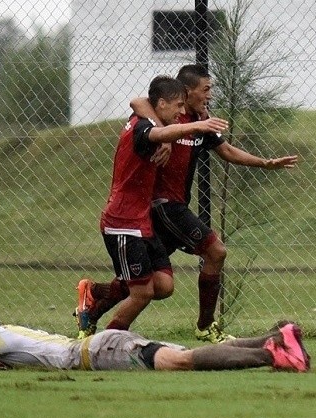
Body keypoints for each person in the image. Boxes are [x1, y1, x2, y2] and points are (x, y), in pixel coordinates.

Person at [75, 64, 297, 343]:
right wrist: (168, 132)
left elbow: (226, 150)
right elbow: (139, 102)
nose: (210, 95)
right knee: (214, 252)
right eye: (206, 89)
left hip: (155, 212)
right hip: (163, 206)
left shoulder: (197, 119)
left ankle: (94, 299)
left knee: (154, 283)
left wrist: (264, 163)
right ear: (187, 92)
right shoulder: (165, 117)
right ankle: (203, 326)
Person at [85, 75, 228, 337]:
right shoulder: (143, 127)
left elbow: (153, 117)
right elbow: (151, 125)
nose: (181, 112)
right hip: (124, 222)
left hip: (143, 221)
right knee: (142, 292)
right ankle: (105, 343)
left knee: (162, 286)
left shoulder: (159, 120)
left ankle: (93, 297)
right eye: (178, 105)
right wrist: (193, 127)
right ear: (162, 103)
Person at [0, 309, 310, 373]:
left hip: (99, 352)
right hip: (103, 345)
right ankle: (277, 336)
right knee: (187, 354)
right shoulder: (8, 335)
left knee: (182, 362)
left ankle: (271, 355)